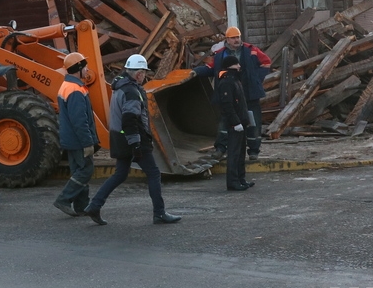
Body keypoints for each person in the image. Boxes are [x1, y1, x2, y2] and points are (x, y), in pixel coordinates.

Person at [84, 54, 181, 226]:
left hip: (119, 137)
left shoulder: (120, 86)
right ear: (138, 74)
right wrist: (136, 143)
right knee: (153, 173)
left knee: (120, 174)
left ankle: (94, 205)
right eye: (143, 72)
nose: (144, 76)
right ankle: (159, 213)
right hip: (134, 138)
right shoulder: (132, 91)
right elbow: (130, 119)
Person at [194, 26, 272, 160]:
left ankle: (253, 151)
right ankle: (220, 148)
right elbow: (211, 68)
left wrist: (256, 78)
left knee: (253, 123)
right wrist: (196, 72)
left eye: (238, 37)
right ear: (227, 39)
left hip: (249, 93)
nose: (236, 40)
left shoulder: (251, 50)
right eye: (233, 38)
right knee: (225, 121)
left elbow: (266, 63)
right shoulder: (220, 54)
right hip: (229, 93)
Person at [54, 52, 99, 217]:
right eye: (85, 66)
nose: (87, 70)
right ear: (78, 68)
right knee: (85, 170)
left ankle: (82, 206)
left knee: (78, 171)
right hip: (78, 140)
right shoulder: (75, 90)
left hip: (70, 139)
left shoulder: (67, 86)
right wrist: (88, 142)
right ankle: (64, 200)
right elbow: (80, 121)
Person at [212, 56, 254, 191]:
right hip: (234, 124)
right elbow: (227, 105)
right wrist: (235, 122)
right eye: (236, 64)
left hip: (241, 122)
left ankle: (241, 179)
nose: (239, 66)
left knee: (241, 153)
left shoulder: (235, 80)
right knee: (234, 154)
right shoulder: (226, 82)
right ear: (230, 66)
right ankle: (233, 181)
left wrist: (245, 120)